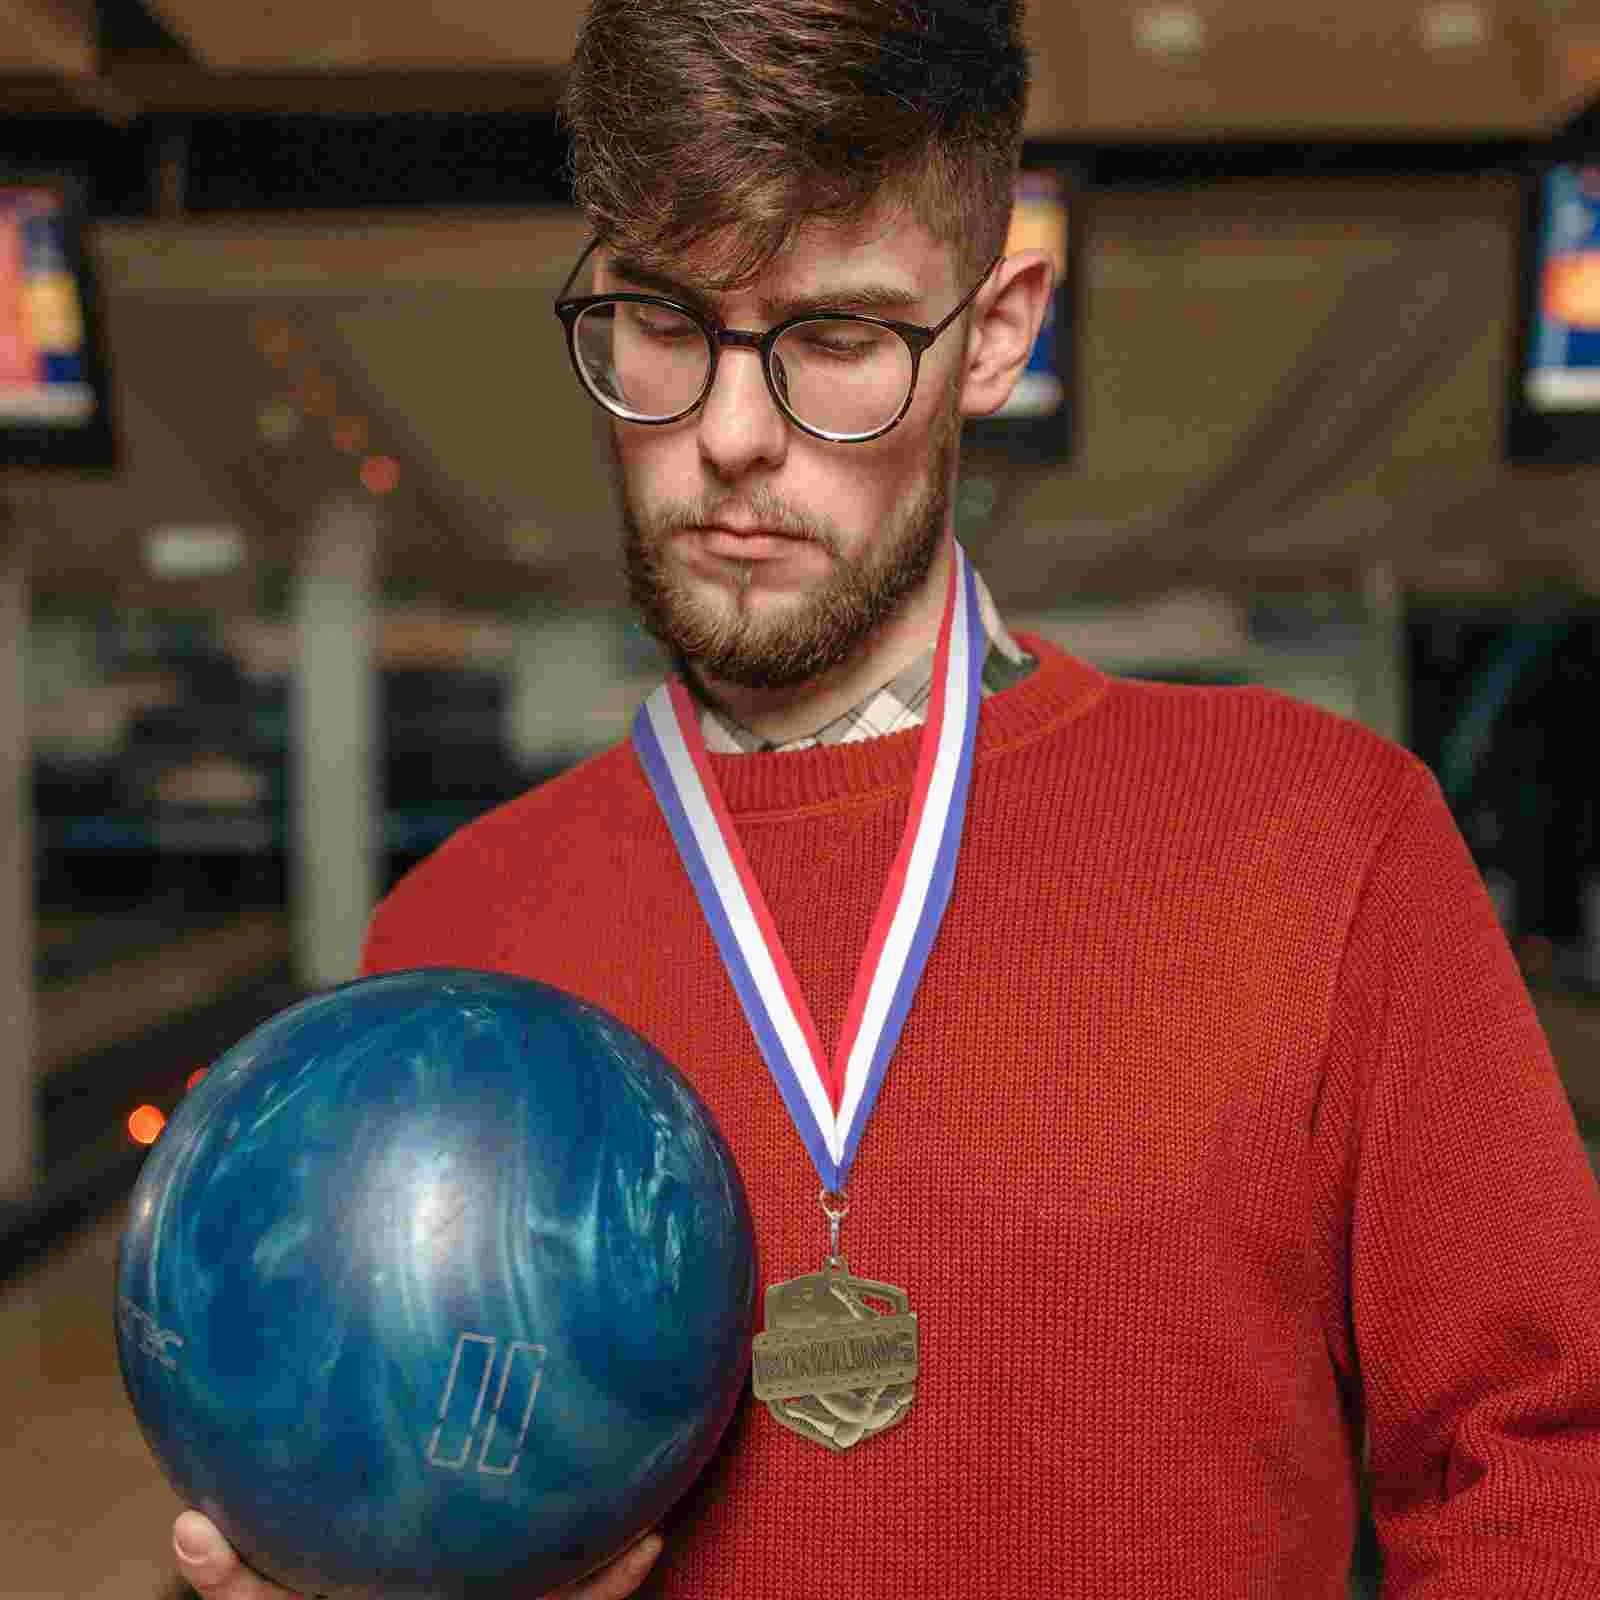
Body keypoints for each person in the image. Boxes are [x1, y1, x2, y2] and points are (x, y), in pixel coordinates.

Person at [171, 2, 1600, 1596]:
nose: (725, 437)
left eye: (834, 343)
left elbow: (1536, 1474)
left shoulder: (1325, 840)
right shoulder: (453, 944)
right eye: (661, 320)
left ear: (996, 333)